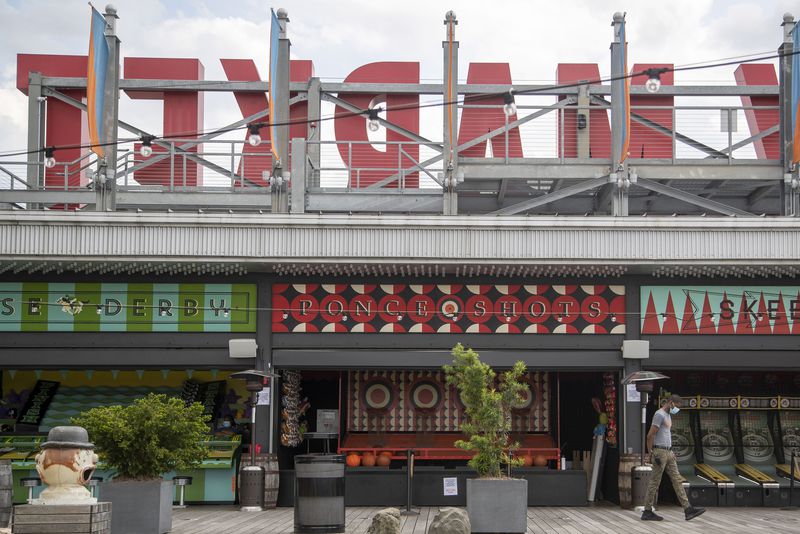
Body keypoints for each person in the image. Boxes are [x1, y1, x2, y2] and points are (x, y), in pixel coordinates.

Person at [641, 394, 706, 522]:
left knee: (677, 479)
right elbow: (650, 435)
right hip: (660, 451)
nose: (677, 409)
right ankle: (647, 511)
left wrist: (670, 450)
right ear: (670, 402)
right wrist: (651, 453)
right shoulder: (659, 414)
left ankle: (688, 509)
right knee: (655, 482)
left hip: (668, 451)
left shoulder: (668, 415)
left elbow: (665, 434)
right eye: (676, 406)